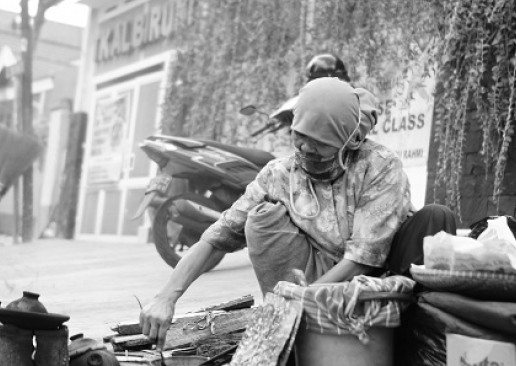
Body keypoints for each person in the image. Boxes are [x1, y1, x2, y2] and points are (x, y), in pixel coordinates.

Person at [140, 77, 457, 348]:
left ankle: (405, 341)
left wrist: (304, 300)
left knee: (436, 218)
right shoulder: (277, 175)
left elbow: (363, 257)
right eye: (299, 136)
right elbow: (216, 238)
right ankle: (306, 332)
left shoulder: (379, 166)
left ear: (347, 142)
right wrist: (167, 296)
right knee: (260, 216)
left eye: (319, 144)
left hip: (378, 278)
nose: (305, 149)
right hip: (312, 273)